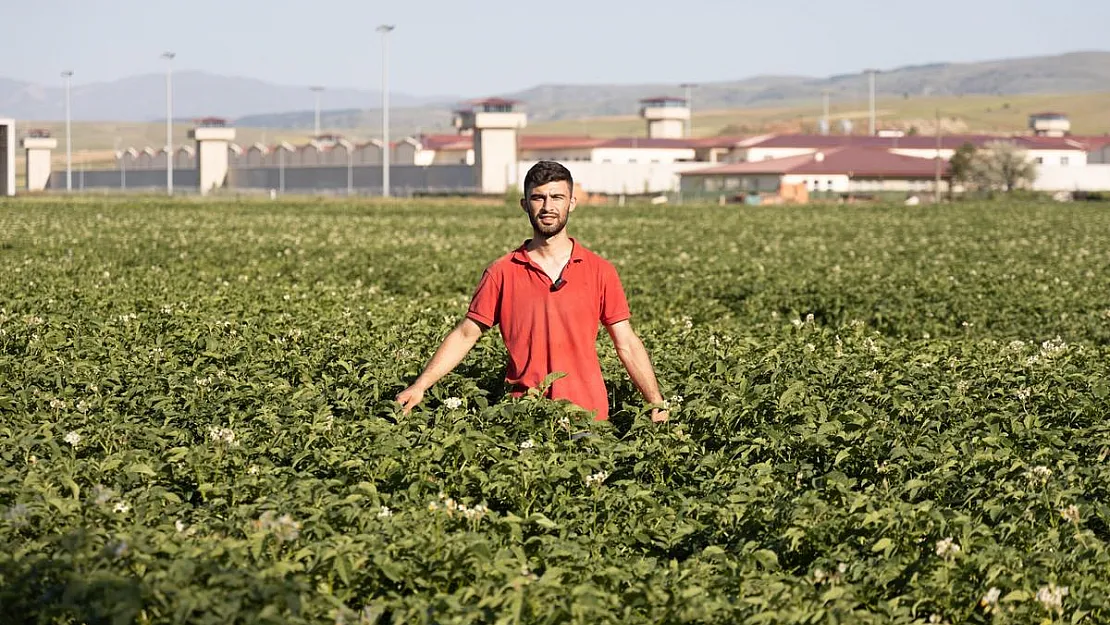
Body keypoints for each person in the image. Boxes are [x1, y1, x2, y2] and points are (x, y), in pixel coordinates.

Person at [396, 160, 668, 423]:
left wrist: (655, 401)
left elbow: (627, 343)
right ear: (525, 204)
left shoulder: (600, 271)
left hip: (587, 419)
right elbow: (466, 334)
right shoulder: (502, 272)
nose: (548, 207)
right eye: (538, 198)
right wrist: (420, 385)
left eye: (557, 197)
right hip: (525, 416)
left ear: (572, 203)